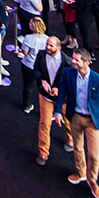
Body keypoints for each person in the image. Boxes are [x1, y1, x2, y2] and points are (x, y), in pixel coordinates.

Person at [54, 50, 99, 198]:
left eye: (76, 60)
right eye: (73, 59)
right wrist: (57, 111)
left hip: (92, 121)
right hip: (74, 117)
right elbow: (61, 93)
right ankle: (81, 173)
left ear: (86, 63)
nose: (73, 61)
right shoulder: (68, 73)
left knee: (94, 155)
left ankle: (92, 180)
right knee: (77, 147)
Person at [34, 36, 73, 166]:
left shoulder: (67, 62)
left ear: (59, 48)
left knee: (67, 120)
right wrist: (42, 81)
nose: (47, 47)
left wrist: (59, 89)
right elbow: (36, 70)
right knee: (44, 124)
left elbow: (71, 82)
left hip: (62, 98)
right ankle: (43, 152)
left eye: (51, 45)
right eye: (47, 44)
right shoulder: (41, 55)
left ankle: (70, 139)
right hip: (46, 96)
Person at [19, 18, 47, 114]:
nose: (29, 24)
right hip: (41, 67)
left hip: (28, 65)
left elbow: (25, 52)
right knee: (43, 88)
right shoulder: (47, 39)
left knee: (27, 86)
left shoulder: (28, 38)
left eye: (31, 23)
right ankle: (46, 110)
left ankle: (26, 106)